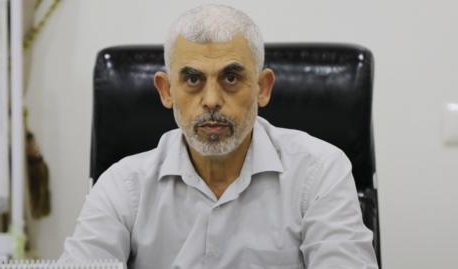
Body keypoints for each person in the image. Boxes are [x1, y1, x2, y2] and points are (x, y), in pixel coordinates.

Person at [60, 4, 378, 269]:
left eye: (230, 77)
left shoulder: (319, 172)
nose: (211, 100)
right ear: (166, 90)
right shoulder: (123, 186)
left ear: (262, 87)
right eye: (193, 79)